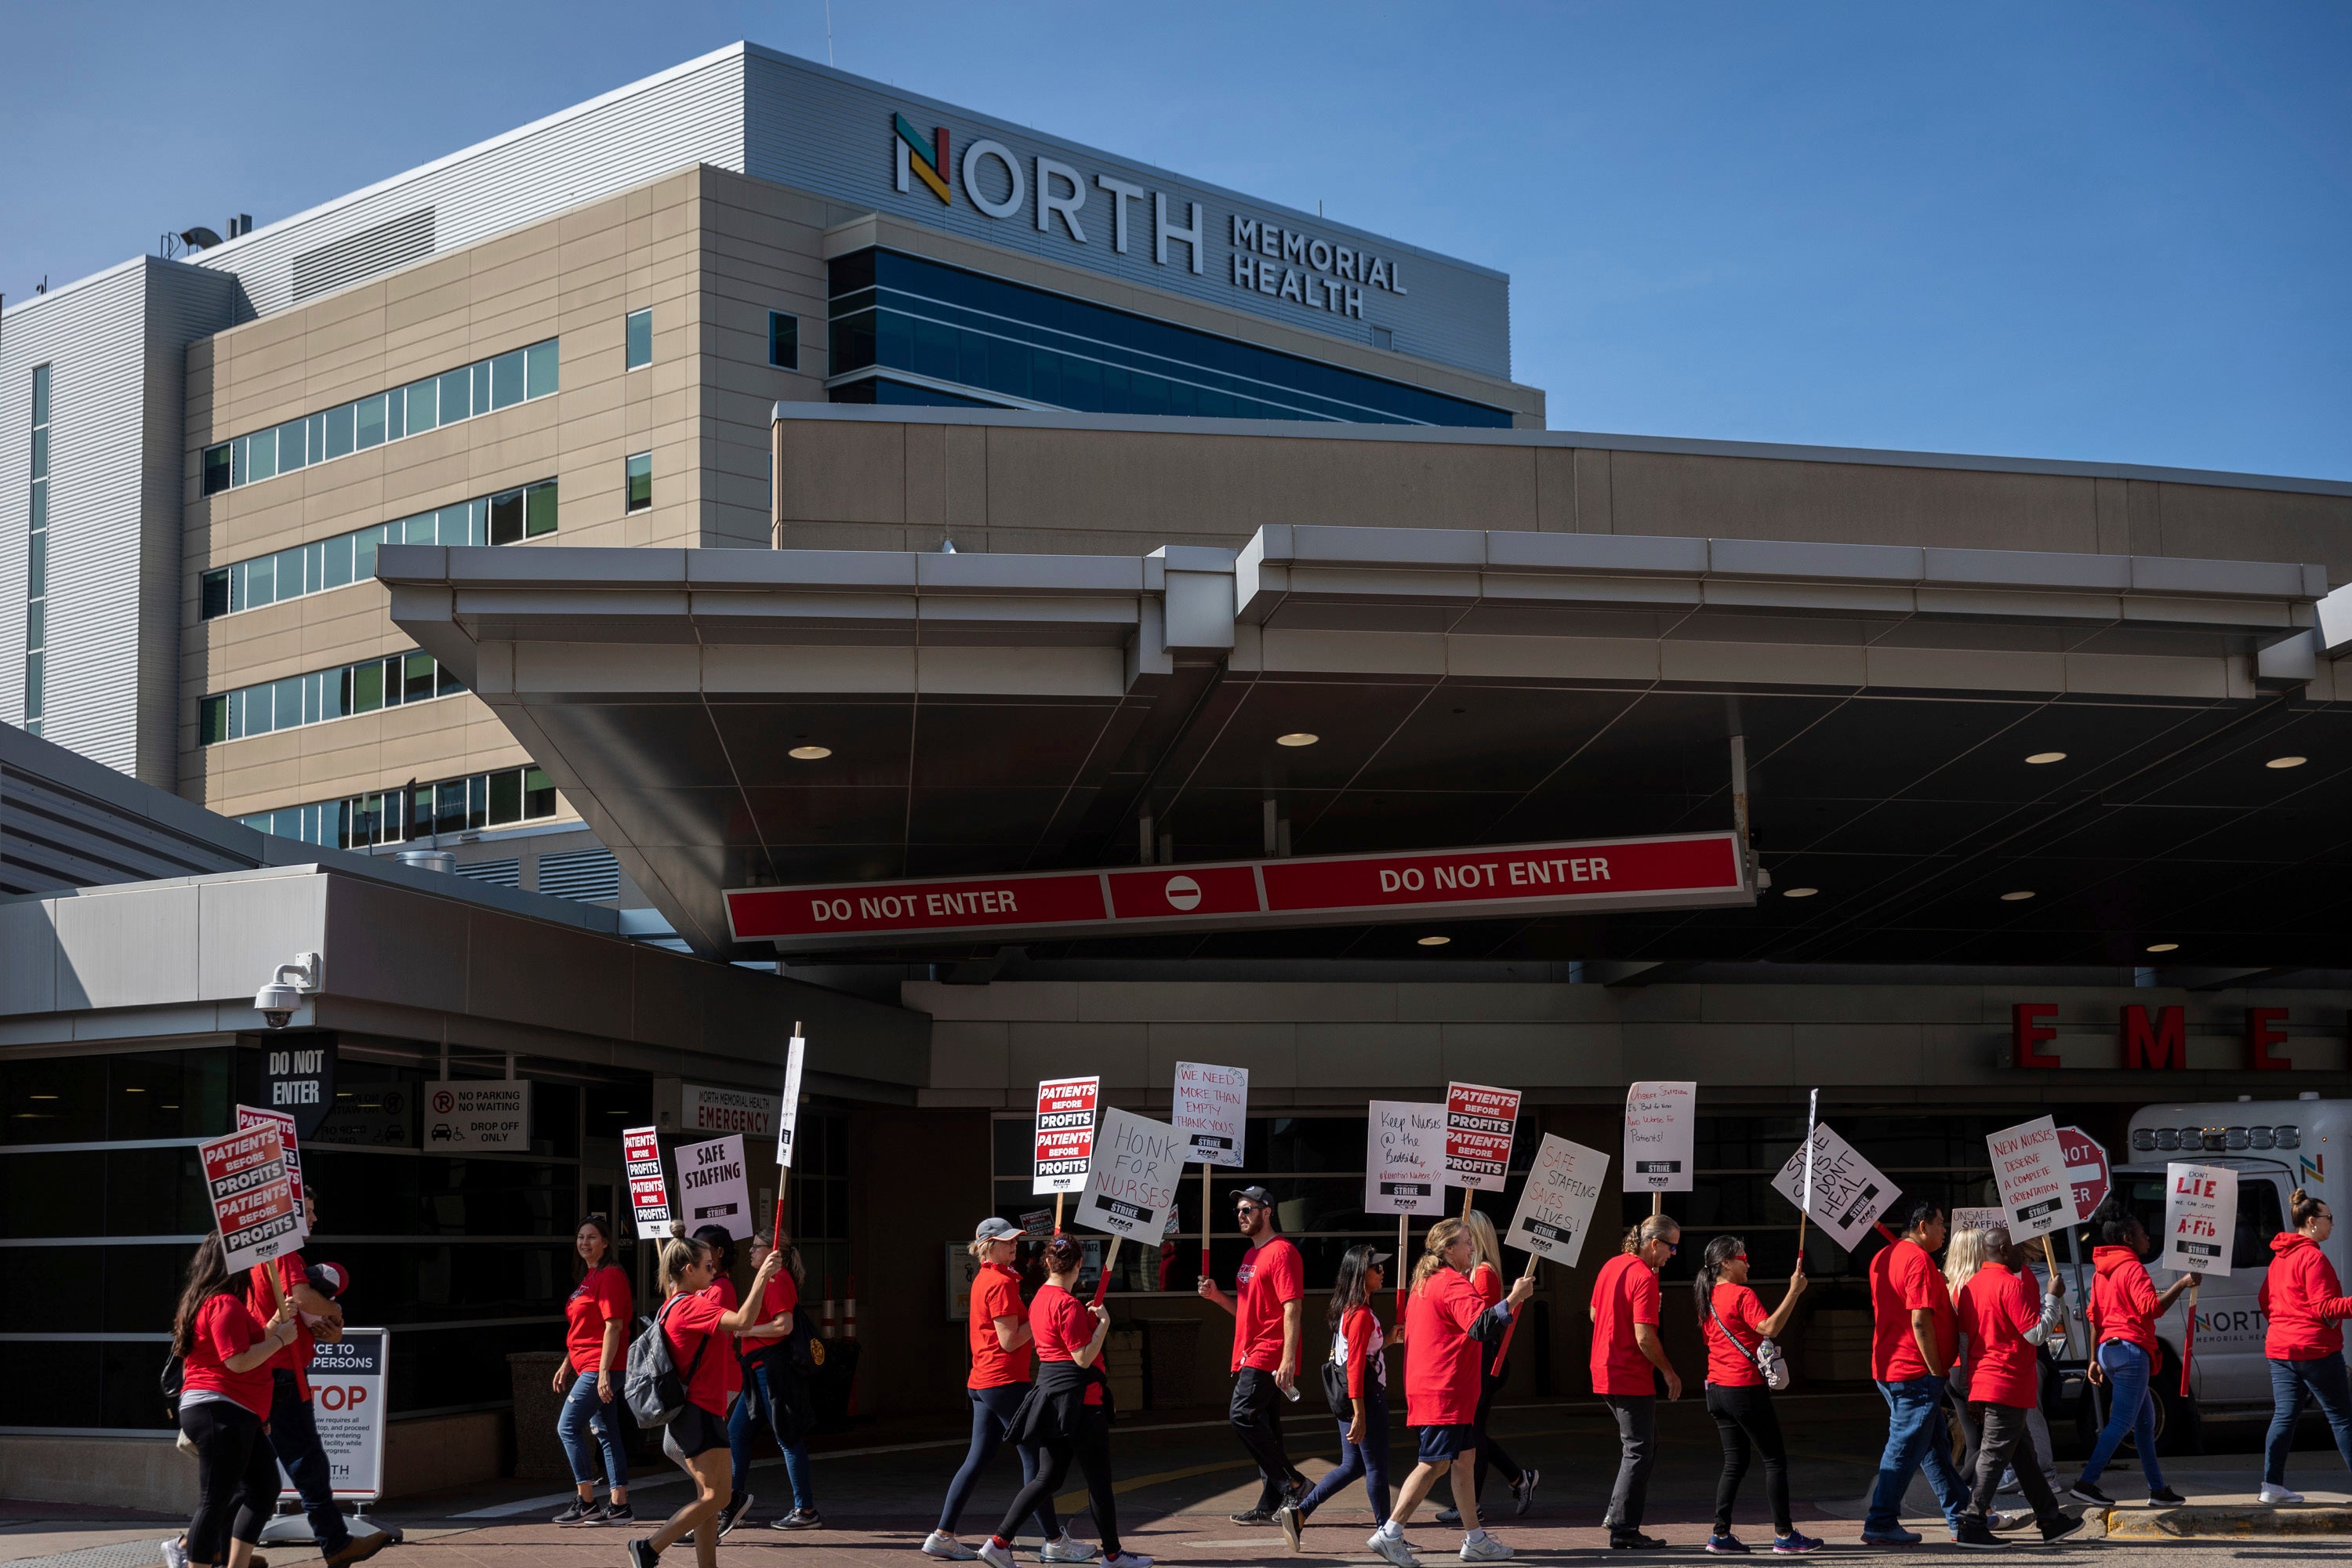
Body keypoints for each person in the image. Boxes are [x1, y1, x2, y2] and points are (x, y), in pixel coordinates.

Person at [976, 1235, 1152, 1568]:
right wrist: (1102, 1325)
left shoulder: (1041, 1297)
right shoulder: (1067, 1304)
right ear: (1077, 1265)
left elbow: (1057, 1343)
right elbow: (1083, 1357)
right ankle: (1113, 1556)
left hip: (1050, 1399)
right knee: (1098, 1481)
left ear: (1047, 1263)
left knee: (1047, 1478)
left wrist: (1085, 1322)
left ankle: (999, 1541)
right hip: (1081, 1402)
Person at [1369, 1217, 1533, 1566]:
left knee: (1464, 1460)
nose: (1473, 1248)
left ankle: (1475, 1539)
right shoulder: (1452, 1284)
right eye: (1467, 1242)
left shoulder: (1425, 1283)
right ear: (1449, 1249)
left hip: (1444, 1389)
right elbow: (1480, 1326)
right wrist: (1514, 1299)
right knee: (1433, 1464)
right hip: (1445, 1390)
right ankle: (1390, 1532)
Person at [924, 1220, 1089, 1563]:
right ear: (987, 1245)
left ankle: (942, 1535)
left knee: (978, 1458)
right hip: (1003, 1381)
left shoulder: (990, 1277)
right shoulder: (999, 1283)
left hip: (984, 1382)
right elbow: (1010, 1339)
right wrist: (1044, 1320)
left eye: (1015, 1240)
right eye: (1006, 1241)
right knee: (1037, 1462)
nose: (1014, 1245)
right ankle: (1054, 1541)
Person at [625, 1233, 783, 1568]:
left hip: (703, 1410)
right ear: (688, 1268)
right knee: (718, 1497)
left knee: (709, 1498)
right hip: (698, 1412)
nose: (713, 1272)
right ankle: (649, 1548)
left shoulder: (673, 1303)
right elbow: (743, 1322)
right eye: (707, 1266)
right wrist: (762, 1278)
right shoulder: (689, 1305)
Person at [246, 1190, 383, 1567]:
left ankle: (212, 1547)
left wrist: (334, 1323)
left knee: (255, 1474)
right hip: (281, 1375)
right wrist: (336, 1308)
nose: (314, 1218)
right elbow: (307, 1301)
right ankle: (334, 1543)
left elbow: (325, 1325)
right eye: (306, 1211)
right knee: (305, 1464)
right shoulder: (283, 1254)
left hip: (280, 1374)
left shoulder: (277, 1255)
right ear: (287, 1217)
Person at [165, 1234, 303, 1568]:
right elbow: (237, 1360)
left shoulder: (213, 1302)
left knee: (263, 1487)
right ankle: (190, 1557)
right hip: (220, 1408)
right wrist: (281, 1339)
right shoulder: (223, 1303)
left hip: (235, 1410)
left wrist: (274, 1327)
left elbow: (246, 1344)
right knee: (215, 1500)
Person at [1952, 1227, 2082, 1548]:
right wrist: (2053, 1296)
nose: (2024, 1254)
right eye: (2019, 1249)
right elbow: (2036, 1334)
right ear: (2005, 1251)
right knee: (1995, 1455)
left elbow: (1966, 1341)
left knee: (2023, 1456)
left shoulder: (1972, 1286)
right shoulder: (2010, 1284)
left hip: (1987, 1379)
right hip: (2007, 1381)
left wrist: (1970, 1387)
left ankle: (2050, 1519)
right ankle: (1972, 1521)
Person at [1693, 1234, 1819, 1554]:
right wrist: (1794, 1291)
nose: (1748, 1262)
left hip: (1716, 1390)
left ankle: (1720, 1535)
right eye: (1742, 1258)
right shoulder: (1741, 1294)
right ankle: (1785, 1535)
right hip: (1744, 1387)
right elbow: (1769, 1328)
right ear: (1725, 1263)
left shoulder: (1706, 1297)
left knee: (1734, 1463)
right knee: (1774, 1461)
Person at [1196, 1183, 1308, 1525]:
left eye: (1249, 1209)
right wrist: (1217, 1297)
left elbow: (1293, 1308)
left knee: (1241, 1415)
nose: (1242, 1215)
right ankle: (1270, 1502)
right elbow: (1246, 1311)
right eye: (1239, 1211)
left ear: (1267, 1212)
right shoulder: (1250, 1256)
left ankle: (1292, 1482)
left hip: (1269, 1352)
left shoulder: (1283, 1252)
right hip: (1250, 1350)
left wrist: (1288, 1359)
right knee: (1268, 1430)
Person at [2069, 1201, 2190, 1509]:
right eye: (2142, 1233)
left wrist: (2094, 1359)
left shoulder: (2101, 1273)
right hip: (2131, 1351)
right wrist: (2183, 1284)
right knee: (2123, 1422)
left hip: (2109, 1352)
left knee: (2146, 1422)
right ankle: (2086, 1483)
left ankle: (2158, 1489)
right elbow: (2152, 1308)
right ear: (2127, 1239)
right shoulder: (2132, 1267)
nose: (2147, 1237)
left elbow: (2095, 1317)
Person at [1861, 1199, 1969, 1546]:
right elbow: (1920, 1319)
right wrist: (1937, 1371)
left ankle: (1962, 1514)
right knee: (1905, 1447)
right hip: (1914, 1371)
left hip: (1892, 1367)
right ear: (1923, 1226)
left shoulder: (1884, 1257)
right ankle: (1880, 1521)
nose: (1945, 1233)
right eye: (1941, 1225)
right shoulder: (1918, 1259)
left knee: (1934, 1445)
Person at [1275, 1243, 1395, 1551]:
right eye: (1377, 1268)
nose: (1383, 1272)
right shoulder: (1361, 1314)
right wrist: (1361, 1413)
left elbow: (1360, 1355)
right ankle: (1387, 1533)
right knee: (1377, 1468)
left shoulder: (1349, 1310)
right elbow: (1355, 1365)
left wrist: (1390, 1339)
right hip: (1364, 1398)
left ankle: (1300, 1513)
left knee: (1353, 1466)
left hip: (1350, 1397)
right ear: (1360, 1274)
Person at [1435, 1213, 1534, 1526]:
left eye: (1464, 1236)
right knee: (1472, 1433)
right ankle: (1519, 1478)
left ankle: (1472, 1503)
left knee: (1472, 1435)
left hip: (1483, 1362)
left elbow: (1482, 1323)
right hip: (1475, 1361)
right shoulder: (1474, 1273)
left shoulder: (1483, 1273)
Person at [1592, 1215, 1683, 1551]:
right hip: (1628, 1372)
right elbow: (1645, 1337)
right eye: (1671, 1246)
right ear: (1654, 1243)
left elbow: (1593, 1312)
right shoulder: (1644, 1276)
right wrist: (1669, 1371)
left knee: (1643, 1444)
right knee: (1639, 1449)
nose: (1673, 1254)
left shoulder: (1611, 1266)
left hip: (1604, 1368)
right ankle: (1623, 1527)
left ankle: (1618, 1516)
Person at [2256, 1189, 2352, 1504]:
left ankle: (2271, 1485)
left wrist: (2286, 1324)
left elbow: (2264, 1301)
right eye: (2329, 1218)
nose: (2332, 1224)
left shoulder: (2279, 1258)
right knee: (2341, 1417)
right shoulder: (2313, 1257)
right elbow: (2325, 1307)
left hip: (2281, 1348)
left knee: (2284, 1415)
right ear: (2311, 1222)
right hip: (2315, 1349)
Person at [731, 1232, 823, 1531]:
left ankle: (805, 1509)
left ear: (772, 1251)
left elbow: (784, 1326)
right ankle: (731, 1503)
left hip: (770, 1369)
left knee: (787, 1436)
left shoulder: (774, 1280)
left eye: (756, 1246)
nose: (750, 1251)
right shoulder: (769, 1280)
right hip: (758, 1367)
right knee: (737, 1434)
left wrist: (747, 1330)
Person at [554, 1214, 633, 1526]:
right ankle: (620, 1505)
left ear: (606, 1243)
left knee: (568, 1427)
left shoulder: (610, 1276)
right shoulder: (589, 1277)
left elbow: (614, 1326)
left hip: (602, 1366)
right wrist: (566, 1364)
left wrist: (602, 1374)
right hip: (588, 1364)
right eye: (581, 1237)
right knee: (607, 1434)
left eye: (592, 1238)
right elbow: (583, 1329)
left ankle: (586, 1501)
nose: (584, 1243)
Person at [691, 1226, 760, 1537]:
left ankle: (720, 1503)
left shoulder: (721, 1289)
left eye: (704, 1248)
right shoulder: (704, 1286)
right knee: (691, 1448)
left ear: (718, 1253)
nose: (698, 1254)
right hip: (707, 1379)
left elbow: (716, 1333)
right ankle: (721, 1501)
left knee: (702, 1449)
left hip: (720, 1378)